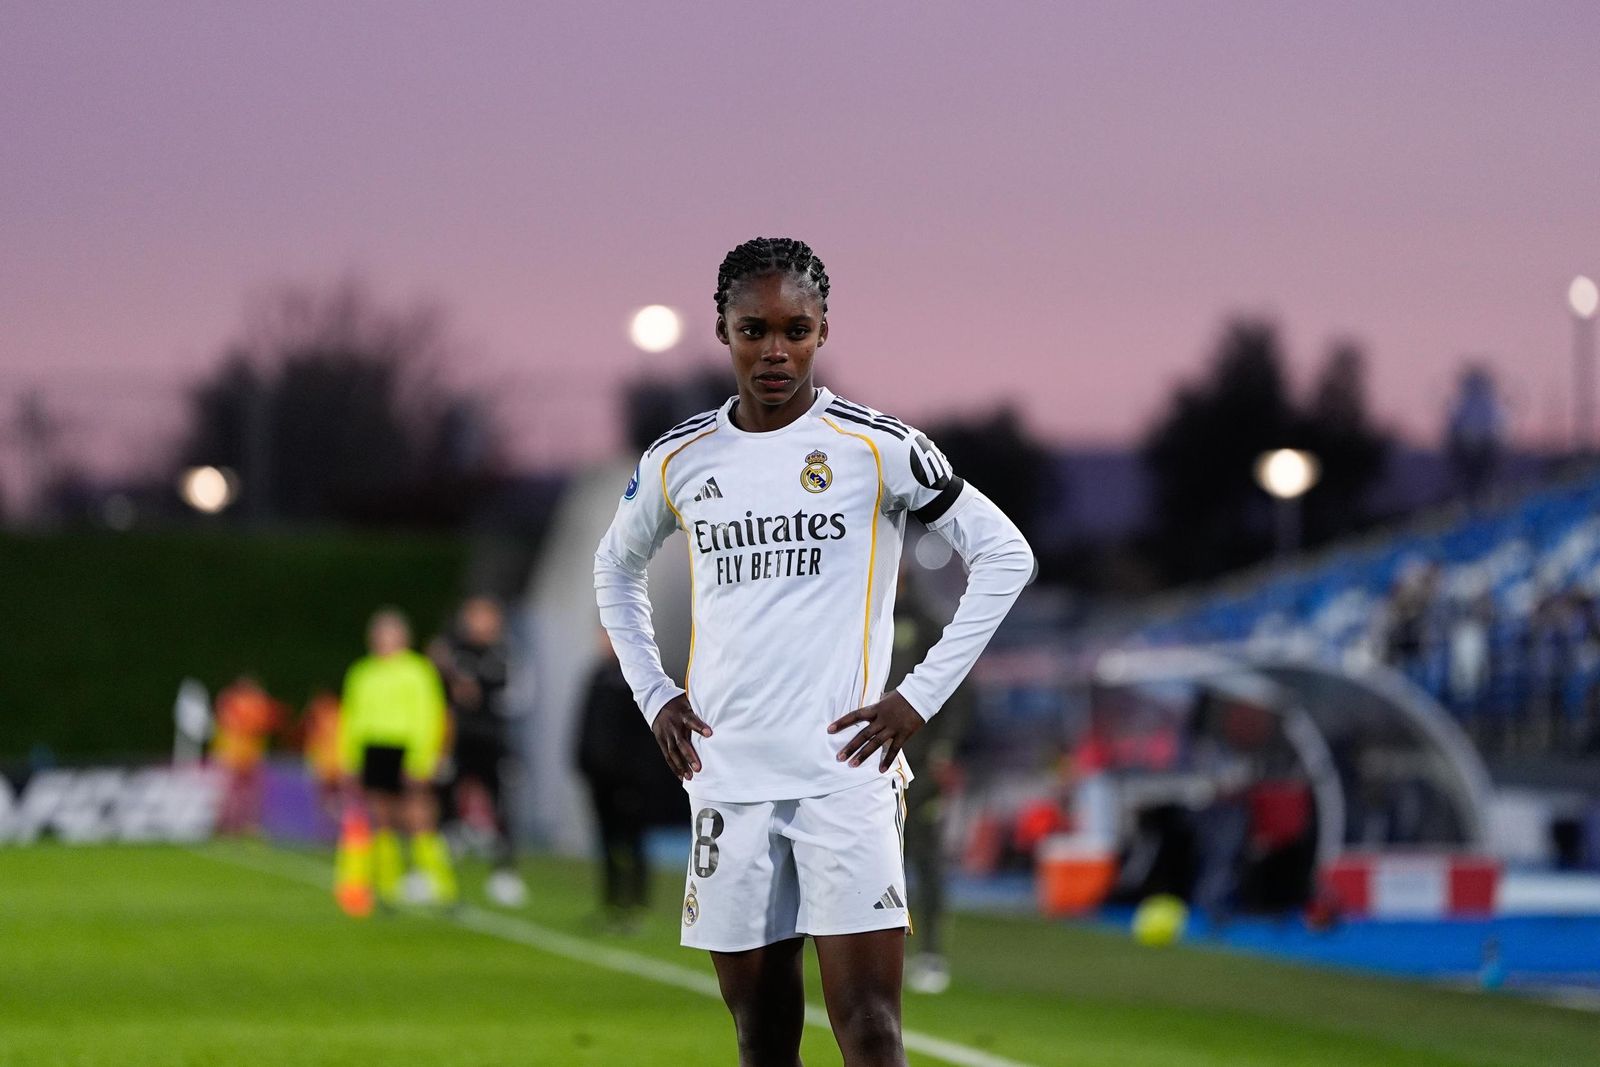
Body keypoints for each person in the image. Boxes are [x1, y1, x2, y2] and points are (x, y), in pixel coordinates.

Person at [594, 237, 1033, 1066]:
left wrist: (918, 696)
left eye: (794, 328)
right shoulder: (678, 459)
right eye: (753, 328)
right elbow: (612, 567)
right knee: (763, 1037)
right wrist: (653, 693)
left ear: (823, 328)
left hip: (845, 776)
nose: (774, 350)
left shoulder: (879, 447)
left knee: (870, 1026)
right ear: (722, 328)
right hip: (730, 776)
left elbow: (1007, 554)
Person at [335, 608, 457, 909]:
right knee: (382, 819)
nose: (384, 640)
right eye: (379, 634)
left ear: (404, 637)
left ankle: (442, 887)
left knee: (419, 817)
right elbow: (351, 717)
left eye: (391, 633)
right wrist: (350, 759)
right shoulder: (362, 672)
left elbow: (429, 716)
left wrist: (421, 759)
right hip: (374, 749)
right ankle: (389, 888)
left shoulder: (417, 671)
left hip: (406, 749)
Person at [889, 569, 974, 995]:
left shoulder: (926, 627)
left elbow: (958, 688)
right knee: (873, 859)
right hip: (870, 764)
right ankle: (875, 952)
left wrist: (947, 747)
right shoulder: (864, 621)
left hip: (921, 764)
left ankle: (932, 954)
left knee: (924, 859)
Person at [431, 596, 525, 907]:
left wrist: (477, 691)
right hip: (458, 740)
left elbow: (515, 698)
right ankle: (435, 872)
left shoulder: (505, 655)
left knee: (500, 803)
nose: (480, 623)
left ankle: (504, 874)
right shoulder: (454, 651)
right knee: (444, 797)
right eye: (475, 616)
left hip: (493, 741)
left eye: (486, 616)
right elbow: (440, 685)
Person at [574, 630, 664, 928]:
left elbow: (647, 736)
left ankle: (636, 904)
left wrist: (640, 775)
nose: (605, 643)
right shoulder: (598, 675)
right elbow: (585, 724)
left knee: (633, 841)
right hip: (600, 778)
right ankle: (611, 903)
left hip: (630, 781)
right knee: (606, 841)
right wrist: (582, 762)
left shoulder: (641, 679)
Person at [210, 675, 288, 835]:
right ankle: (226, 824)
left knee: (252, 793)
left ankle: (248, 825)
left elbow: (273, 719)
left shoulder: (257, 702)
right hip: (231, 754)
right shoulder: (232, 701)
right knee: (230, 792)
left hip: (251, 755)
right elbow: (239, 723)